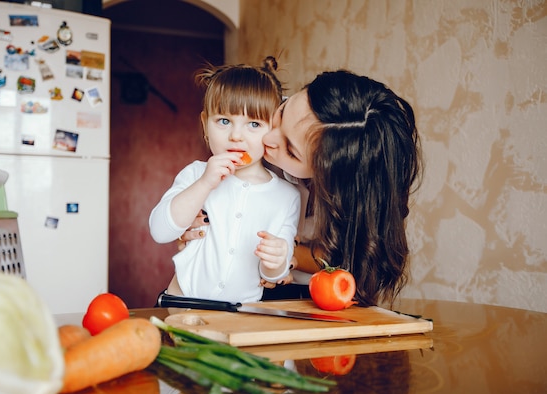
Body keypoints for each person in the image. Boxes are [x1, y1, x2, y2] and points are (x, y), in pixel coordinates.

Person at [180, 69, 422, 308]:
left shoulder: (355, 196)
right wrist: (189, 222)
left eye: (291, 151)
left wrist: (288, 257)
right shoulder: (258, 123)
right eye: (282, 113)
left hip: (305, 297)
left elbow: (352, 261)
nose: (267, 139)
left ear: (325, 177)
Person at [149, 57, 300, 304]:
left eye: (253, 123)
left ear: (272, 130)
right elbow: (159, 231)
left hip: (243, 314)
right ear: (205, 125)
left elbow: (271, 274)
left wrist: (278, 259)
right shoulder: (196, 174)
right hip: (183, 303)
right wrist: (205, 183)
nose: (236, 136)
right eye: (224, 121)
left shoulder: (287, 196)